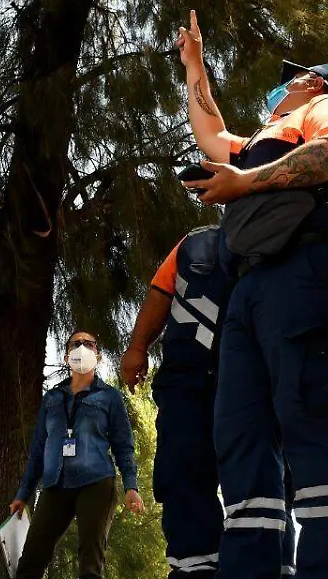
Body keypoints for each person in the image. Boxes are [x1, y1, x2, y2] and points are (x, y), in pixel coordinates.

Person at [174, 10, 328, 579]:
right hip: (252, 289)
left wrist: (246, 184)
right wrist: (196, 70)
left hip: (312, 270)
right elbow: (213, 135)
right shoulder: (265, 137)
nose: (281, 86)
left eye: (292, 76)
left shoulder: (326, 108)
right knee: (241, 435)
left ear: (316, 81)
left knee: (310, 425)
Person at [121, 227, 297, 579]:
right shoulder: (194, 242)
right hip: (186, 384)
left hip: (253, 384)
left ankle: (271, 569)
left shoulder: (284, 228)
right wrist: (138, 345)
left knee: (261, 480)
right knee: (181, 478)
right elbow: (160, 291)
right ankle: (194, 569)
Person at [10, 331, 146, 579]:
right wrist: (23, 494)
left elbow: (123, 445)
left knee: (90, 561)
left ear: (99, 355)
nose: (82, 348)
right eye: (76, 344)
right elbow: (38, 448)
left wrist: (131, 486)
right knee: (31, 558)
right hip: (55, 484)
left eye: (89, 344)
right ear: (66, 357)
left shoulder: (110, 397)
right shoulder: (52, 398)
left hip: (95, 482)